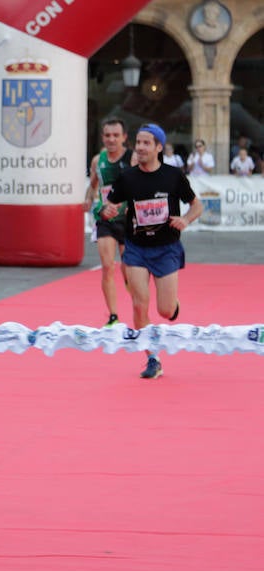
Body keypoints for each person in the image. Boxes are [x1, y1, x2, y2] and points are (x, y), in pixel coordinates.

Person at [102, 124, 203, 379]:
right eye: (138, 142)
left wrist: (186, 220)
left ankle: (173, 304)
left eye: (147, 143)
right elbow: (108, 205)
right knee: (139, 305)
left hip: (166, 248)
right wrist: (108, 210)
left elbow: (196, 205)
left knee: (165, 311)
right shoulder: (128, 177)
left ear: (159, 147)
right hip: (136, 249)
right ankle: (152, 359)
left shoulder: (173, 176)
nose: (140, 147)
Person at [84, 118, 134, 327]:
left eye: (116, 135)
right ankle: (113, 316)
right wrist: (88, 199)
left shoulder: (132, 159)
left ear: (124, 137)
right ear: (103, 137)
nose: (111, 139)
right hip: (105, 219)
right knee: (107, 266)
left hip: (128, 220)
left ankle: (137, 302)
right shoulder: (98, 161)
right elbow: (93, 184)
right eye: (107, 135)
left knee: (128, 270)